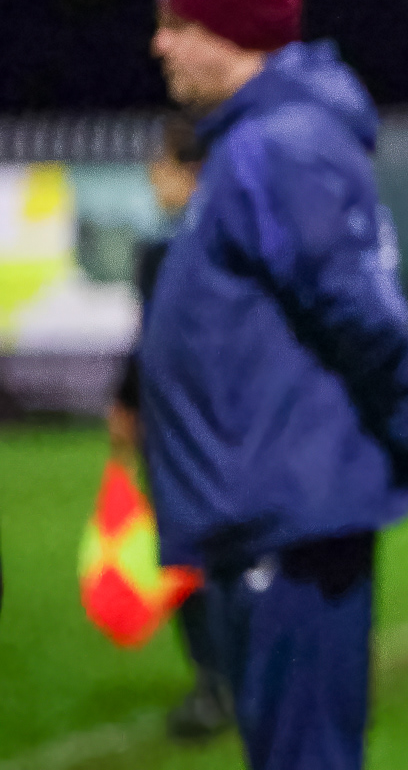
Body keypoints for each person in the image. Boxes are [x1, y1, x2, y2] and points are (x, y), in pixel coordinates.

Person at [138, 0, 408, 770]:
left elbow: (361, 313)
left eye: (178, 25)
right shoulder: (257, 143)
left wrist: (407, 437)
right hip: (266, 510)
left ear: (232, 33)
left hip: (287, 515)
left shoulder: (278, 146)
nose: (160, 44)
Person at [105, 113, 232, 740]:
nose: (153, 179)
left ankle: (218, 682)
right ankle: (228, 678)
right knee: (214, 554)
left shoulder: (181, 249)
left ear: (191, 171)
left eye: (161, 166)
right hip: (213, 427)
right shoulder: (217, 242)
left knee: (200, 556)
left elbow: (154, 344)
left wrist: (127, 404)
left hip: (194, 430)